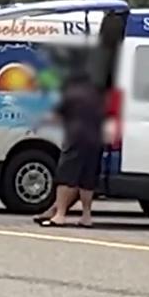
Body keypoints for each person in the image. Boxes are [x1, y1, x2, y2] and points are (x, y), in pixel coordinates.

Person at [34, 67, 106, 228]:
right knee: (87, 178)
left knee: (66, 176)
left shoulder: (72, 93)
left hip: (76, 136)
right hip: (96, 138)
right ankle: (86, 216)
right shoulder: (100, 93)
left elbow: (57, 115)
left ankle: (60, 215)